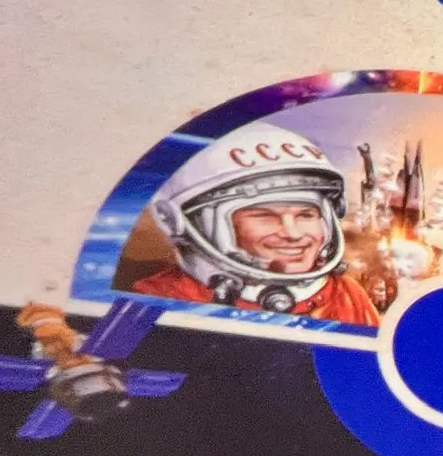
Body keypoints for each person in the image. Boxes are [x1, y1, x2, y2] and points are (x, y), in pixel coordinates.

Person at [130, 121, 382, 325]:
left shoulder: (346, 296)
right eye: (264, 216)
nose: (293, 233)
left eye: (306, 215)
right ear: (183, 222)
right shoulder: (154, 302)